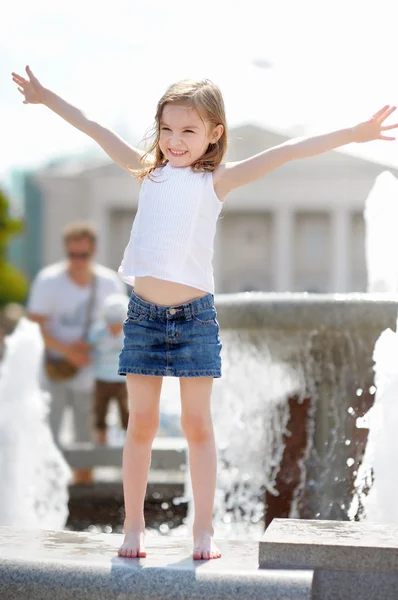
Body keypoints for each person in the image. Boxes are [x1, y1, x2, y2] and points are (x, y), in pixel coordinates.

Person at [12, 65, 397, 560]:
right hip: (144, 317)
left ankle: (203, 530)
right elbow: (94, 126)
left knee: (197, 426)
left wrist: (356, 133)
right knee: (142, 425)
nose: (175, 140)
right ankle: (133, 525)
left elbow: (287, 152)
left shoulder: (216, 181)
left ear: (214, 134)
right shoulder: (147, 172)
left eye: (188, 131)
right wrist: (46, 97)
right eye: (167, 129)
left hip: (194, 318)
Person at [26, 221, 126, 484]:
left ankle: (83, 494)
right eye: (73, 255)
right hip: (54, 369)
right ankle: (45, 490)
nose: (78, 261)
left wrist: (92, 347)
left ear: (94, 251)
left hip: (93, 374)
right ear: (66, 252)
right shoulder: (49, 280)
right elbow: (33, 323)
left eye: (84, 255)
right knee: (49, 434)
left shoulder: (108, 283)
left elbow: (120, 325)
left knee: (87, 438)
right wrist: (67, 351)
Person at [88, 293, 130, 445]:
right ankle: (101, 435)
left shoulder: (129, 332)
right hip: (102, 378)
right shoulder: (98, 332)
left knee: (125, 408)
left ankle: (128, 435)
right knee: (100, 408)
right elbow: (89, 348)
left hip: (122, 379)